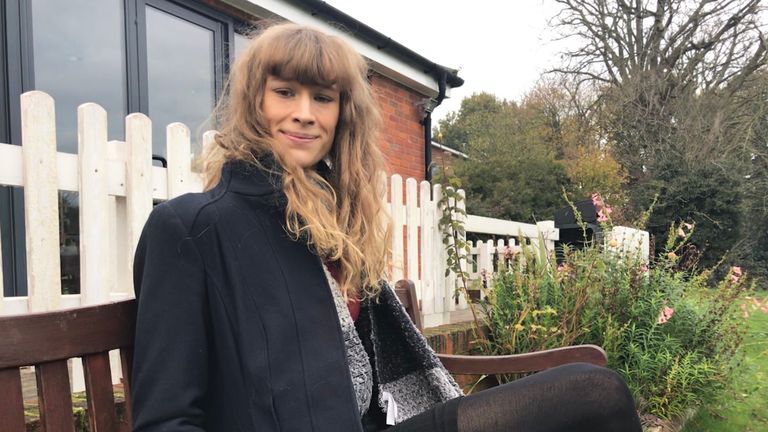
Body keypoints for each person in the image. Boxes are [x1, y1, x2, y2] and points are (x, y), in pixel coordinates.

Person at [130, 23, 643, 432]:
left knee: (596, 392)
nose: (304, 114)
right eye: (284, 92)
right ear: (255, 104)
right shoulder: (191, 228)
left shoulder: (333, 224)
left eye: (323, 98)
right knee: (593, 395)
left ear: (342, 115)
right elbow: (166, 417)